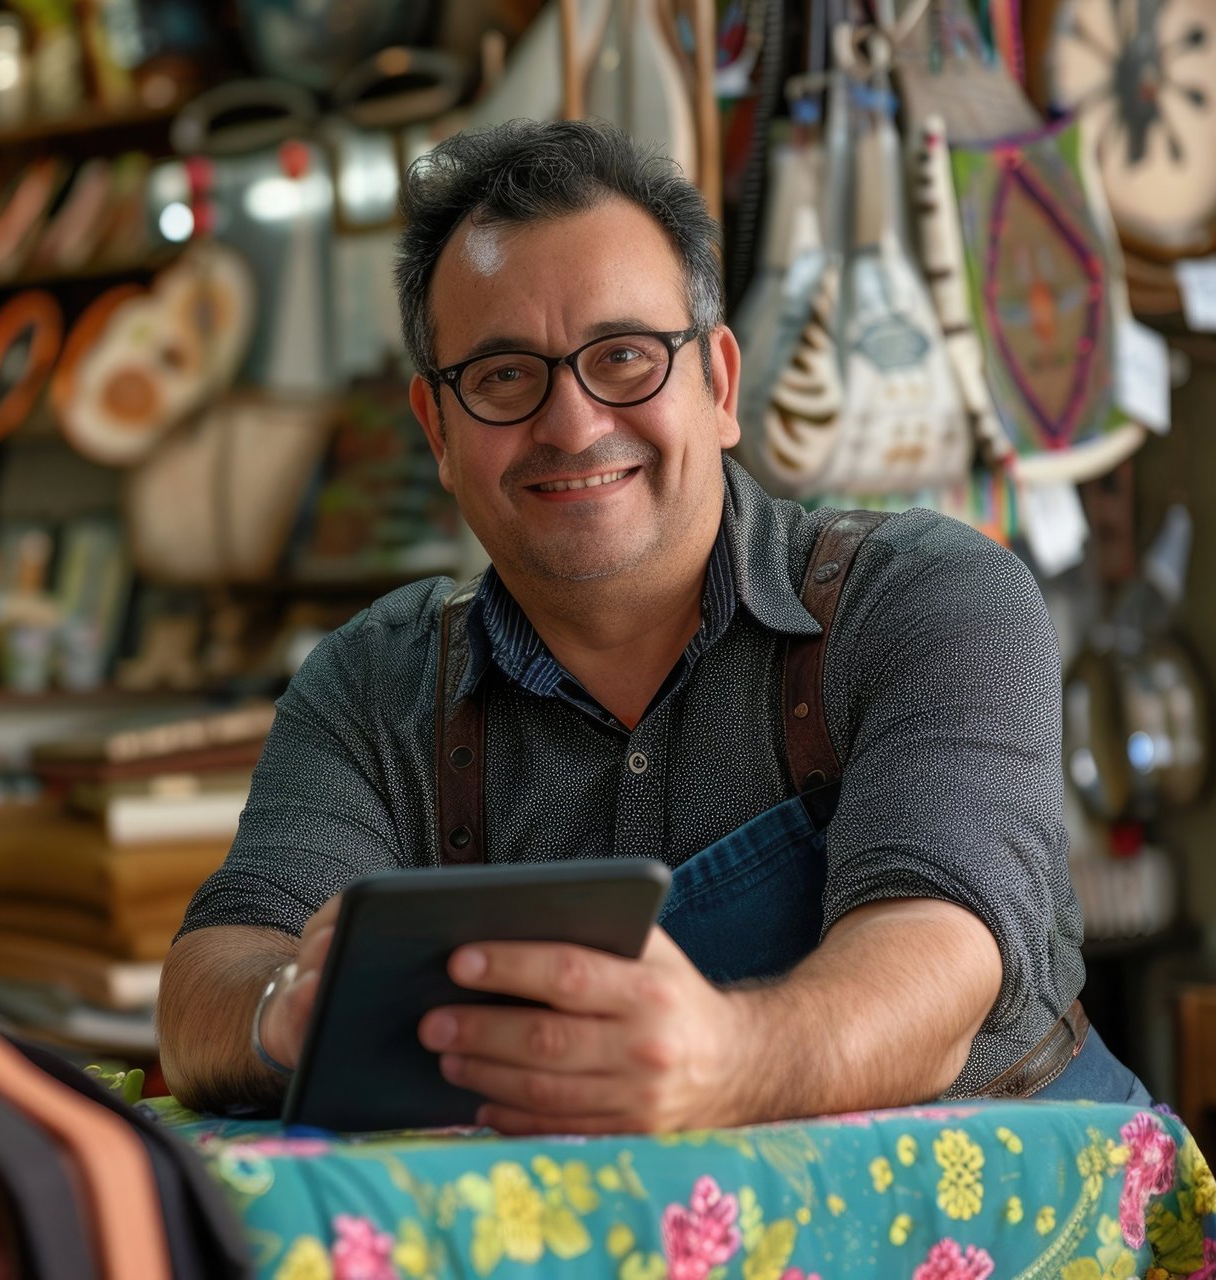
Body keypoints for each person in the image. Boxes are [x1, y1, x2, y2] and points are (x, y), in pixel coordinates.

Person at [156, 118, 1146, 1132]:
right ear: (438, 432)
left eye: (624, 356)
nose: (574, 423)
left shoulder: (929, 599)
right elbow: (207, 981)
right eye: (503, 375)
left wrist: (730, 1060)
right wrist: (286, 1012)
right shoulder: (370, 687)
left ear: (718, 384)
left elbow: (938, 957)